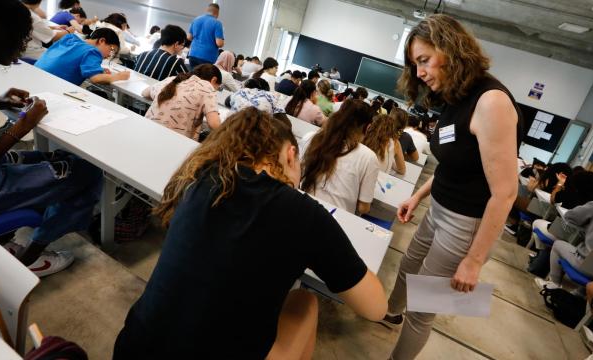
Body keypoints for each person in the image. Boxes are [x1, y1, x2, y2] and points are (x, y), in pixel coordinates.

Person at [113, 108, 387, 359]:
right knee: (305, 301)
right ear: (291, 154)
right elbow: (375, 309)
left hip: (133, 347)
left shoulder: (199, 177)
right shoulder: (303, 213)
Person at [382, 15, 522, 360]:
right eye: (415, 64)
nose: (419, 73)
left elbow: (505, 192)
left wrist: (474, 261)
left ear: (451, 50)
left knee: (422, 309)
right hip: (438, 209)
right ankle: (388, 311)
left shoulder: (491, 103)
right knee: (407, 266)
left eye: (424, 60)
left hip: (465, 225)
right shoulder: (454, 95)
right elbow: (454, 164)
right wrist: (417, 195)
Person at [0, 0, 103, 277]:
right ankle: (30, 258)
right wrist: (21, 128)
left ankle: (19, 234)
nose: (24, 45)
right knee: (88, 172)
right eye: (22, 36)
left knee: (58, 162)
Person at [300, 99, 379, 216]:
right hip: (336, 223)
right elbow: (363, 208)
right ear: (367, 127)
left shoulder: (310, 138)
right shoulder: (368, 157)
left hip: (301, 209)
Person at [142, 64, 222, 141]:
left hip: (147, 132)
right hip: (175, 142)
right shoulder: (207, 87)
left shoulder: (173, 79)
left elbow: (144, 93)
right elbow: (214, 124)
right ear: (213, 80)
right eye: (216, 88)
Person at [35, 28, 131, 85]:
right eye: (111, 50)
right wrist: (118, 76)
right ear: (102, 41)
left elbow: (71, 61)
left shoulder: (70, 38)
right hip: (53, 85)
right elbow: (95, 78)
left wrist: (98, 70)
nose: (108, 55)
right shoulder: (93, 52)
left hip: (35, 75)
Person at [534, 201, 593, 290]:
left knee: (558, 245)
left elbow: (570, 216)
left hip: (586, 265)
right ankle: (580, 293)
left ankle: (554, 283)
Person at [187, 3, 224, 67]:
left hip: (193, 54)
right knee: (204, 77)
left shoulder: (196, 20)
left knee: (193, 76)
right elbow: (219, 43)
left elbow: (189, 37)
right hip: (207, 57)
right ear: (217, 13)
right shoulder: (217, 23)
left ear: (207, 10)